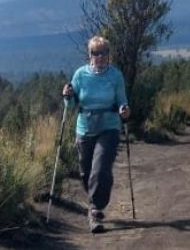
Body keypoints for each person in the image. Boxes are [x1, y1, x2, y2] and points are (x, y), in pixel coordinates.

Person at [62, 36, 130, 234]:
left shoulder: (115, 76)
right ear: (89, 54)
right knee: (86, 172)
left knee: (100, 169)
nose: (99, 57)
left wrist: (124, 110)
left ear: (108, 55)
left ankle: (95, 210)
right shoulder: (80, 75)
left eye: (103, 53)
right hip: (85, 128)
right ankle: (95, 201)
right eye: (95, 53)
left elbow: (121, 101)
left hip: (109, 127)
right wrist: (67, 96)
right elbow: (72, 103)